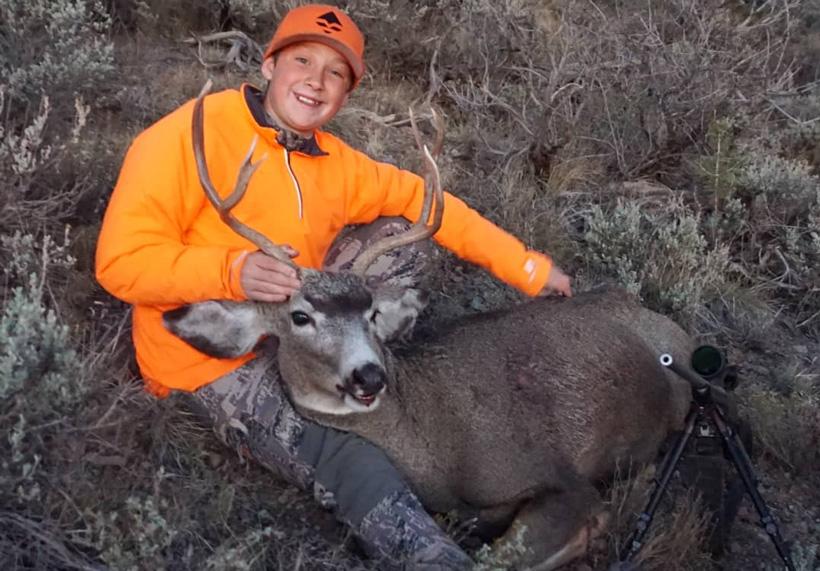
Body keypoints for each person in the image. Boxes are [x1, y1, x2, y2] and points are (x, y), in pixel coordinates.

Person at [95, 4, 572, 569]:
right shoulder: (188, 136)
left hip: (304, 325)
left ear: (346, 93)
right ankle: (432, 556)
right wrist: (230, 271)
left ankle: (363, 359)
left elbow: (428, 203)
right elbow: (120, 263)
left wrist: (529, 269)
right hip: (209, 354)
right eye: (302, 60)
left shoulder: (335, 163)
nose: (316, 82)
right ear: (269, 65)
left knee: (403, 234)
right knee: (343, 455)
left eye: (336, 73)